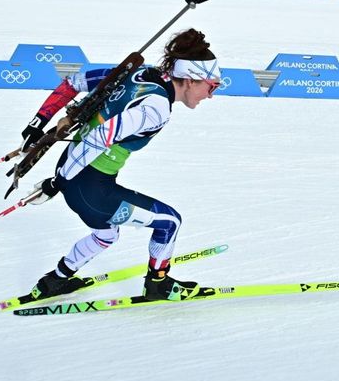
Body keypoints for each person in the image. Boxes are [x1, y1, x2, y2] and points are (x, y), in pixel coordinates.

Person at [18, 29, 222, 303]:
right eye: (212, 86)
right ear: (189, 80)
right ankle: (158, 286)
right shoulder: (156, 108)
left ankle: (55, 280)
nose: (211, 95)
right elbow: (99, 136)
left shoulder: (140, 75)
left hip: (74, 173)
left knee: (105, 233)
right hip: (88, 186)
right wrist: (61, 181)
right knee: (169, 222)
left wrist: (38, 122)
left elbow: (72, 83)